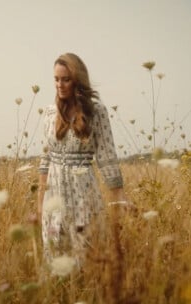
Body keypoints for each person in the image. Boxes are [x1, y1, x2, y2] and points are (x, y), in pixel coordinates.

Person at [37, 53, 128, 266]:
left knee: (85, 252)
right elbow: (45, 159)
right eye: (56, 79)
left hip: (83, 191)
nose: (59, 85)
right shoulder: (50, 113)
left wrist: (119, 197)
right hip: (54, 194)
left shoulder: (96, 111)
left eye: (66, 79)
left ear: (78, 80)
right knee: (55, 253)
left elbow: (107, 156)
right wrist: (40, 202)